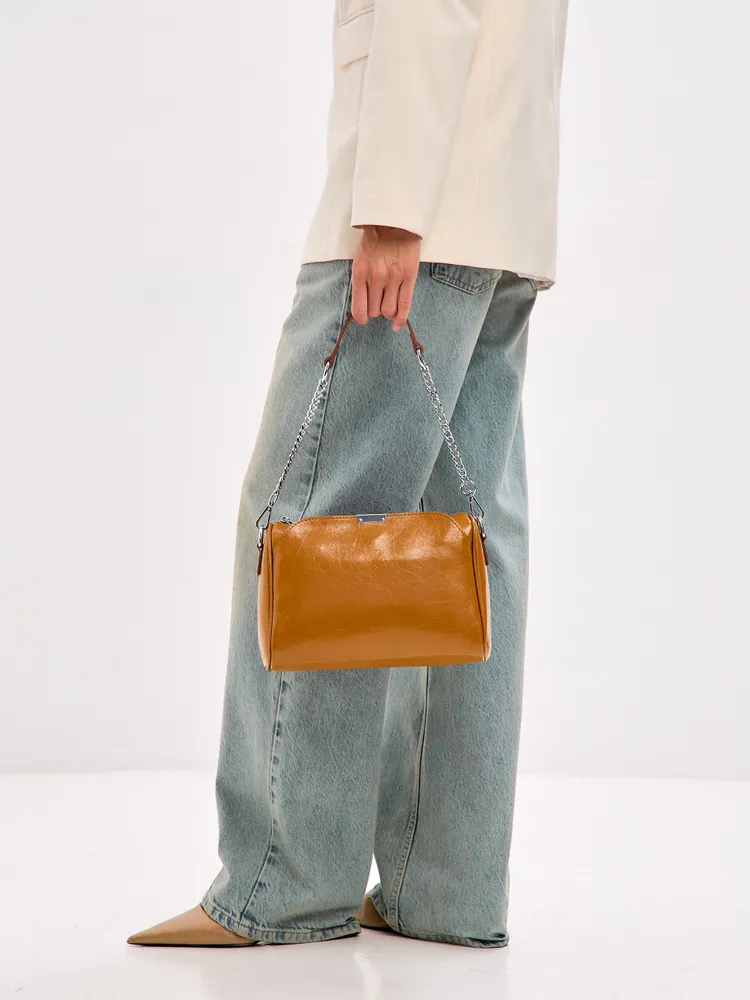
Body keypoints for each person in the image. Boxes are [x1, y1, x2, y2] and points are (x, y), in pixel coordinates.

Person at [128, 0, 569, 949]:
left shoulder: (403, 218)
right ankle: (445, 887)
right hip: (502, 207)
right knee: (464, 544)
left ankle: (283, 883)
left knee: (307, 524)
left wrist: (392, 210)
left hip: (423, 211)